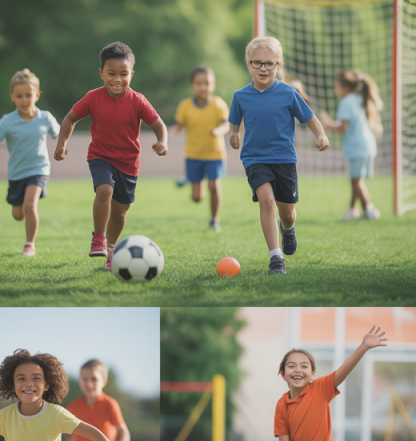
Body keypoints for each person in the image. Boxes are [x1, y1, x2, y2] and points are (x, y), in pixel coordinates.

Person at [55, 41, 168, 271]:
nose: (117, 79)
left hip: (128, 163)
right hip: (100, 156)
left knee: (119, 214)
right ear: (101, 74)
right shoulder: (93, 98)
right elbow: (70, 118)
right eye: (111, 74)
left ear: (132, 74)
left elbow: (159, 125)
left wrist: (162, 141)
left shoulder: (138, 100)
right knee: (104, 190)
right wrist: (61, 144)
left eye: (123, 74)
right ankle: (98, 237)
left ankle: (112, 250)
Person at [228, 36, 330, 275]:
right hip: (255, 158)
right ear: (248, 64)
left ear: (279, 64)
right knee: (266, 201)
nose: (263, 68)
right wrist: (235, 134)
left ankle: (288, 227)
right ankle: (276, 258)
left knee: (287, 212)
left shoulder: (288, 93)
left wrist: (321, 135)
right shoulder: (240, 96)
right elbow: (235, 119)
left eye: (269, 63)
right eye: (257, 63)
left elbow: (309, 118)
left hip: (284, 159)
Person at [0, 69, 60, 257]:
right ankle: (25, 215)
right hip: (16, 173)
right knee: (18, 214)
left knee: (30, 206)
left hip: (39, 169)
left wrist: (62, 145)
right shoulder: (8, 121)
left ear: (37, 95)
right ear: (12, 97)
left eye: (28, 95)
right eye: (19, 96)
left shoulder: (45, 118)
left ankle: (29, 245)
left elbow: (59, 133)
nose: (24, 100)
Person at [170, 66, 229, 231]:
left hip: (215, 154)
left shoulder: (218, 104)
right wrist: (168, 134)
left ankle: (214, 220)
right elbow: (178, 125)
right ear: (192, 85)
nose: (203, 87)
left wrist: (219, 131)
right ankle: (190, 178)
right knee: (196, 198)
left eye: (207, 83)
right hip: (193, 155)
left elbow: (226, 125)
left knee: (214, 186)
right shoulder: (185, 106)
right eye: (199, 83)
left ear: (213, 85)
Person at [319, 69, 383, 221]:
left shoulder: (346, 101)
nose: (336, 91)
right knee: (356, 180)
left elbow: (343, 127)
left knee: (356, 181)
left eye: (336, 87)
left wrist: (327, 125)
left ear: (344, 87)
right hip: (367, 146)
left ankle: (370, 209)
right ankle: (352, 209)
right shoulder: (359, 98)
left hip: (357, 148)